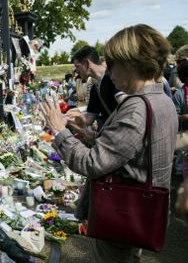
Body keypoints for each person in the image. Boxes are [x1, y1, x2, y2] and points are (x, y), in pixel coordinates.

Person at [40, 24, 177, 263]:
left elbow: (91, 164)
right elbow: (133, 151)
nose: (109, 71)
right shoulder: (160, 100)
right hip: (142, 212)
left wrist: (59, 130)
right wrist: (90, 137)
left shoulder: (136, 109)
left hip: (120, 214)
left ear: (131, 63)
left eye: (112, 63)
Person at [65, 46, 123, 144]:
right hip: (113, 137)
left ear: (87, 63)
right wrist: (67, 118)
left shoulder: (112, 78)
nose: (76, 71)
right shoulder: (95, 88)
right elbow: (89, 119)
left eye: (77, 66)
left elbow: (128, 105)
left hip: (122, 137)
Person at [172, 61, 188, 179]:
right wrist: (186, 117)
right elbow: (174, 117)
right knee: (183, 156)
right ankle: (179, 174)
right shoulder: (180, 94)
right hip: (184, 135)